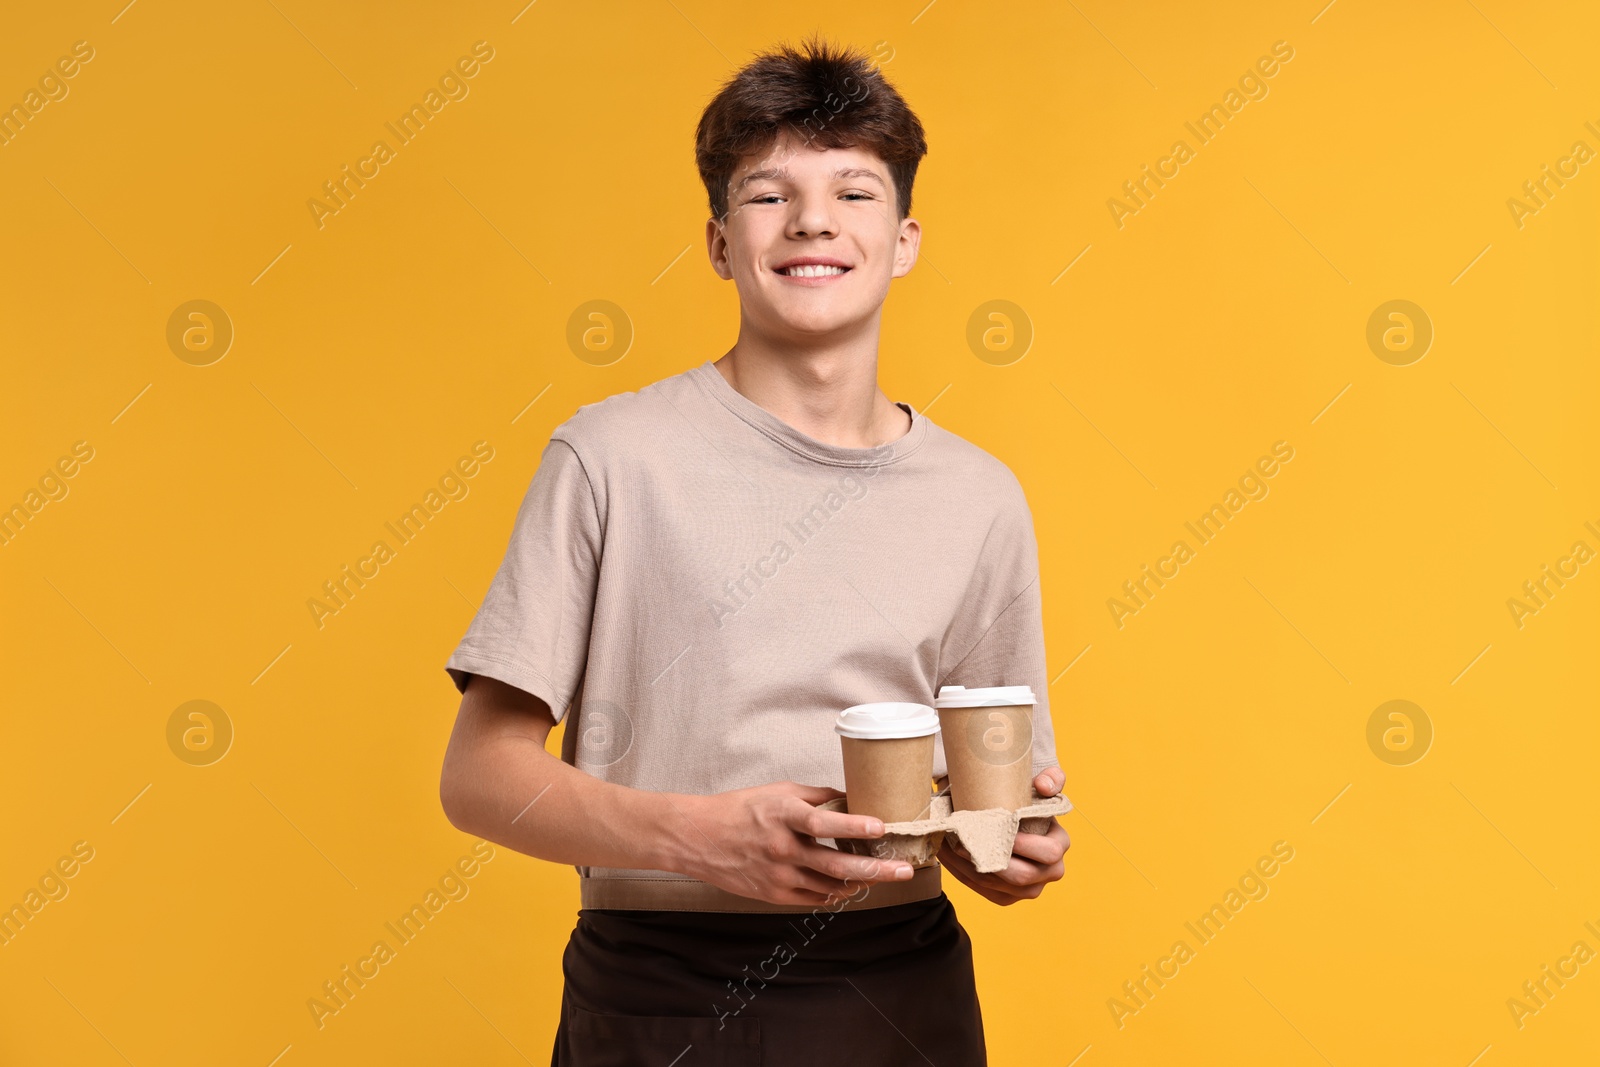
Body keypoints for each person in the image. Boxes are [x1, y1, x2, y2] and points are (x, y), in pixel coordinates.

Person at [438, 33, 1070, 1065]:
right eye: (769, 193)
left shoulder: (979, 497)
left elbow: (981, 784)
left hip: (901, 994)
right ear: (720, 243)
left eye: (854, 193)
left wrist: (1000, 849)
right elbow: (478, 774)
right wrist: (695, 836)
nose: (813, 219)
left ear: (904, 239)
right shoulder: (608, 457)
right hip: (659, 991)